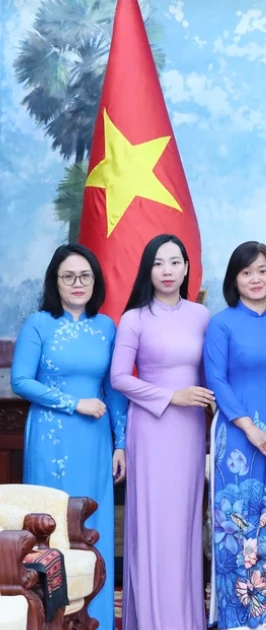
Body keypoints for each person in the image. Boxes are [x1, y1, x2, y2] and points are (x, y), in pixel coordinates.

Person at [11, 244, 127, 628]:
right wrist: (74, 403)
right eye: (68, 276)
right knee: (51, 527)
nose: (78, 283)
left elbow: (113, 390)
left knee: (92, 527)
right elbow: (21, 380)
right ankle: (50, 620)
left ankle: (96, 620)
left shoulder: (106, 327)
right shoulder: (39, 324)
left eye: (85, 276)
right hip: (51, 437)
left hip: (95, 441)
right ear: (55, 282)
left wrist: (122, 442)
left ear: (96, 281)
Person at [111, 234, 212, 630]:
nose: (167, 270)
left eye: (174, 262)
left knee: (185, 525)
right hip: (151, 429)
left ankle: (185, 620)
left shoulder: (201, 316)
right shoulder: (134, 318)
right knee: (154, 524)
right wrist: (172, 396)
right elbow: (119, 378)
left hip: (190, 431)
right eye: (158, 263)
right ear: (147, 270)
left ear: (186, 268)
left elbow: (210, 374)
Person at [204, 242, 266, 630]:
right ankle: (235, 620)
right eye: (246, 272)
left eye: (262, 271)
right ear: (234, 280)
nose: (255, 279)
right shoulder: (222, 323)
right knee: (236, 527)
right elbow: (216, 380)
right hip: (237, 437)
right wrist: (250, 428)